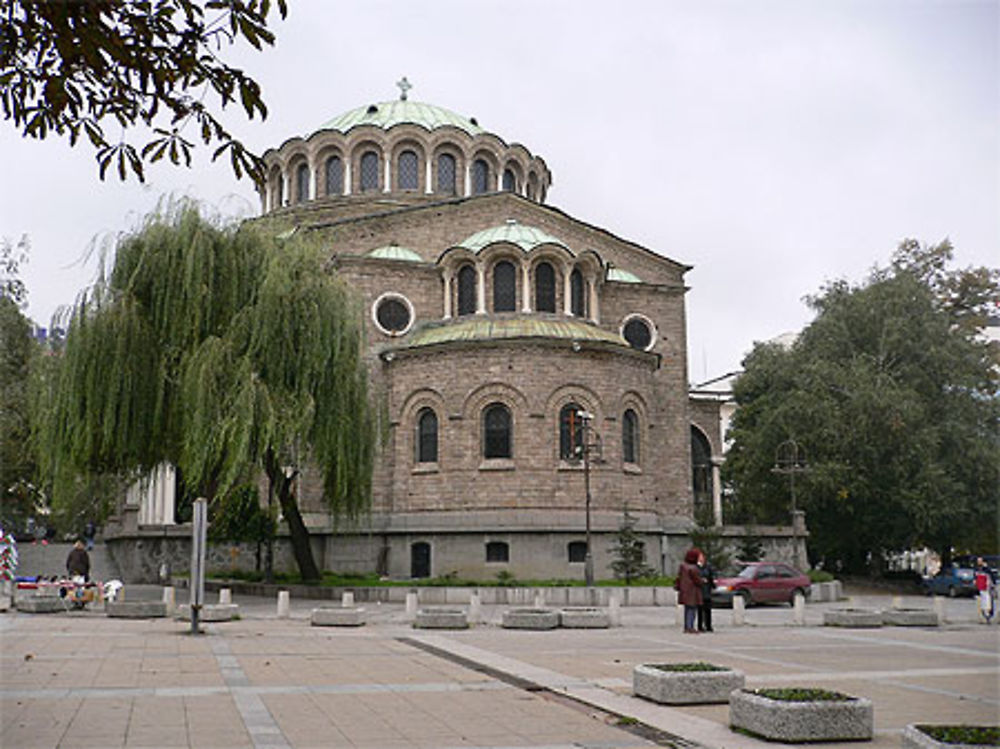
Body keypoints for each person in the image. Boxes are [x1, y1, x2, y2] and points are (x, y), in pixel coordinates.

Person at [675, 547, 704, 634]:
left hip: (684, 591)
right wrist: (703, 581)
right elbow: (697, 580)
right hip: (692, 592)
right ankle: (690, 627)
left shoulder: (683, 566)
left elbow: (679, 578)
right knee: (692, 610)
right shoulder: (693, 568)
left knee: (687, 609)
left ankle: (687, 626)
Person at [697, 552, 715, 632]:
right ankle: (700, 626)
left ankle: (708, 625)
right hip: (699, 591)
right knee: (700, 610)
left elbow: (711, 576)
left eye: (702, 557)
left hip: (707, 590)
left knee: (708, 609)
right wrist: (701, 580)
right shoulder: (696, 568)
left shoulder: (708, 567)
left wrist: (713, 584)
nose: (702, 559)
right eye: (700, 558)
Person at [974, 557, 995, 624]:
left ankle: (988, 615)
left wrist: (992, 585)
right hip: (981, 588)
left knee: (988, 601)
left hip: (987, 588)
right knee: (983, 602)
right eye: (978, 561)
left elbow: (991, 577)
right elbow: (975, 578)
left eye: (980, 561)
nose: (979, 562)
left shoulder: (987, 570)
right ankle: (985, 615)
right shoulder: (977, 569)